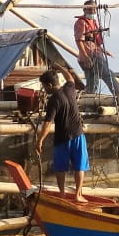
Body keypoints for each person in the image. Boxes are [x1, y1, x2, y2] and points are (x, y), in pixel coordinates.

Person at [35, 63, 89, 202]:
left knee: (60, 168)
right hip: (78, 134)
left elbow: (47, 124)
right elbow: (70, 77)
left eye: (44, 86)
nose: (44, 89)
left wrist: (40, 140)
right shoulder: (70, 89)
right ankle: (78, 195)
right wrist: (59, 67)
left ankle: (62, 194)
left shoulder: (53, 100)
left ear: (50, 85)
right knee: (79, 166)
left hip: (62, 138)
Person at [74, 0, 118, 96]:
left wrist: (103, 50)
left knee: (92, 83)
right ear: (84, 10)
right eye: (90, 10)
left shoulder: (93, 22)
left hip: (94, 53)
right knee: (107, 74)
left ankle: (89, 104)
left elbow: (94, 41)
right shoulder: (81, 22)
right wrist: (85, 56)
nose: (92, 12)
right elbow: (79, 40)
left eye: (94, 9)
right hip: (90, 55)